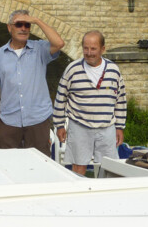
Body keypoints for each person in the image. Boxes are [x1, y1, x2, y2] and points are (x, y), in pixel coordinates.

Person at [0, 9, 64, 156]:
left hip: (38, 121)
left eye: (27, 25)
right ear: (9, 27)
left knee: (40, 169)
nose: (23, 28)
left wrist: (37, 21)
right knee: (9, 169)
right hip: (8, 123)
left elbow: (59, 43)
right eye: (19, 24)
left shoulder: (40, 49)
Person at [53, 30, 127, 175]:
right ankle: (79, 196)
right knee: (78, 167)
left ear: (102, 49)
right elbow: (60, 97)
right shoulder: (72, 69)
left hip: (107, 127)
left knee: (110, 167)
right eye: (86, 48)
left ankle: (107, 196)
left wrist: (119, 127)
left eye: (93, 48)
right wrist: (59, 125)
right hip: (79, 125)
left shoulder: (113, 70)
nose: (89, 52)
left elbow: (120, 100)